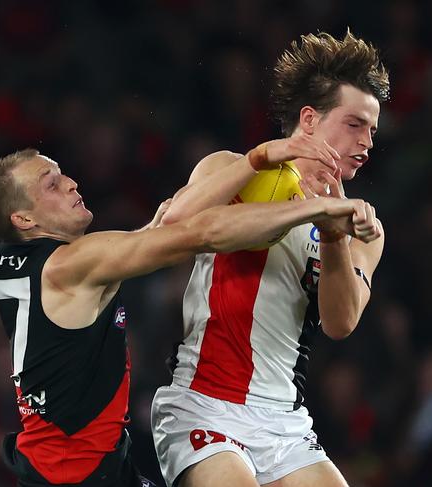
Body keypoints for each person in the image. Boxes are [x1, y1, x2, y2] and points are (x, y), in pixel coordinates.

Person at [0, 145, 379, 487]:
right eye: (51, 184)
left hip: (73, 463)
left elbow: (133, 246)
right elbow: (202, 236)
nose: (70, 184)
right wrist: (303, 201)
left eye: (62, 175)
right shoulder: (72, 264)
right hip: (77, 475)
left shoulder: (9, 261)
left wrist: (153, 229)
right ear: (24, 219)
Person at [151, 30, 389, 487]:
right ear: (309, 119)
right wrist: (261, 159)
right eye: (355, 124)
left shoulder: (362, 229)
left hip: (283, 420)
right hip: (203, 403)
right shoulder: (229, 168)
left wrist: (336, 238)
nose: (368, 142)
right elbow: (170, 227)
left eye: (372, 131)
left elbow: (339, 324)